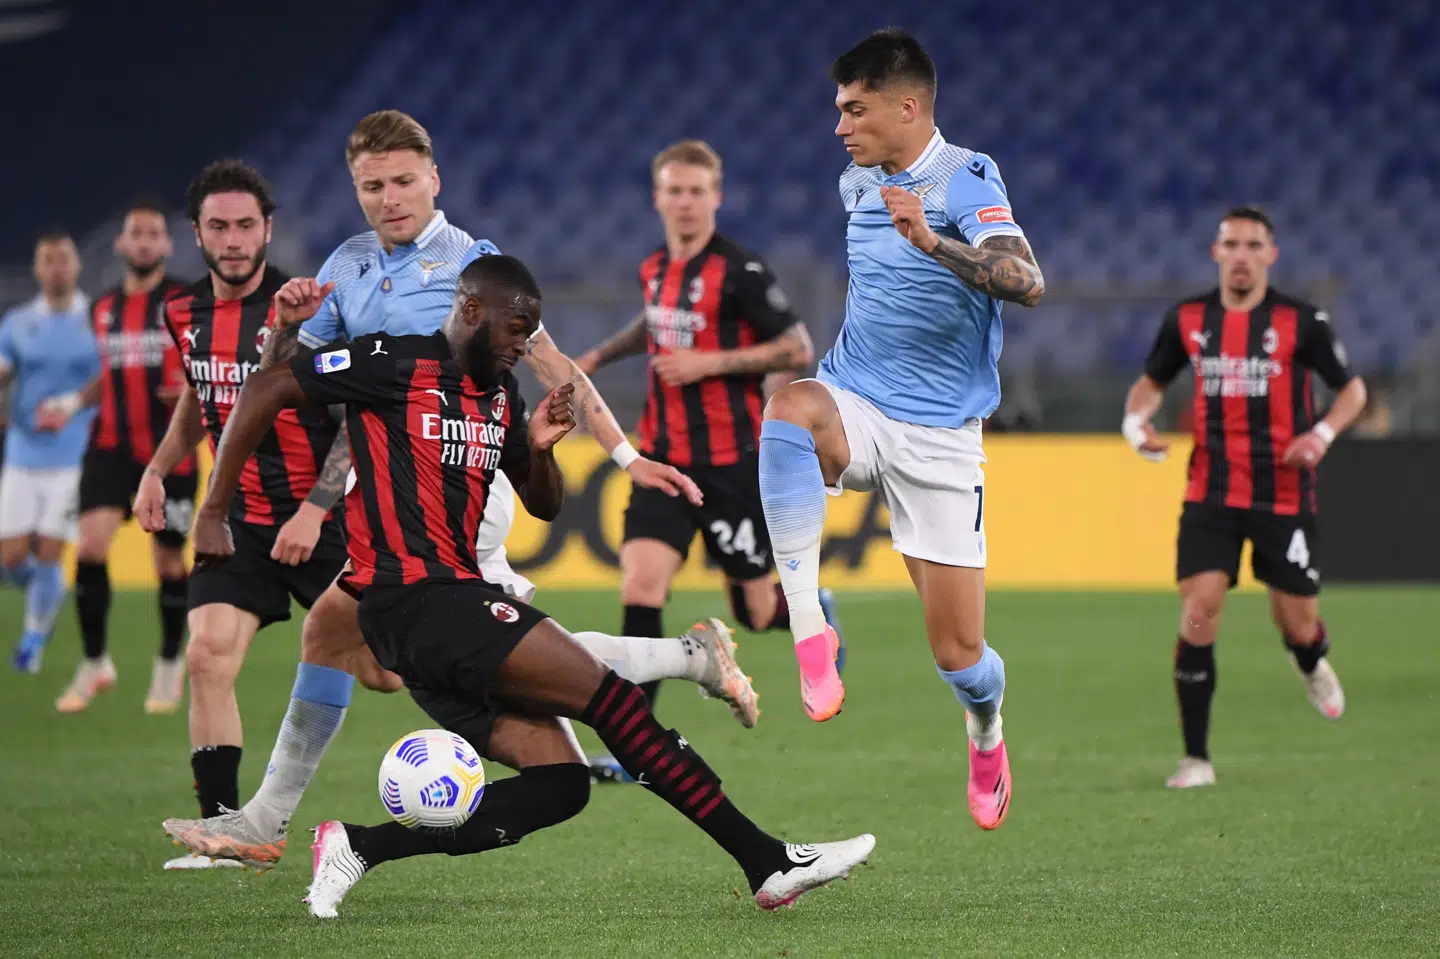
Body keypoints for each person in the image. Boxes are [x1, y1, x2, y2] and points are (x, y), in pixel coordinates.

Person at [190, 253, 875, 916]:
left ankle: (357, 847)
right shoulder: (392, 360)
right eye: (517, 328)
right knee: (614, 703)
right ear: (470, 309)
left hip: (440, 617)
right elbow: (266, 386)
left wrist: (540, 448)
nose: (525, 344)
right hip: (416, 599)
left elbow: (542, 501)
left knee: (560, 786)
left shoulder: (498, 396)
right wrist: (214, 509)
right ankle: (768, 860)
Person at [160, 111, 755, 870]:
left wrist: (626, 457)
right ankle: (689, 656)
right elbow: (280, 381)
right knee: (395, 647)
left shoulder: (476, 265)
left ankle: (268, 821)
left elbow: (554, 368)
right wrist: (285, 326)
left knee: (389, 637)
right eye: (371, 185)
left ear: (434, 179)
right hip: (387, 495)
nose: (388, 198)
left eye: (404, 180)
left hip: (464, 482)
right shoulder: (344, 268)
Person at [756, 29, 1045, 830]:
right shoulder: (857, 181)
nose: (840, 127)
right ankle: (810, 627)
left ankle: (985, 729)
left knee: (960, 657)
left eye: (855, 109)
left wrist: (933, 241)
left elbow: (1027, 282)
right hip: (856, 399)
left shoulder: (966, 178)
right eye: (838, 110)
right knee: (787, 409)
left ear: (908, 105)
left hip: (942, 437)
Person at [575, 141, 841, 782]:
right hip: (663, 459)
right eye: (675, 190)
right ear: (658, 197)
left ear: (715, 197)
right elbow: (657, 324)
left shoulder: (742, 270)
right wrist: (598, 359)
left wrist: (709, 364)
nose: (685, 202)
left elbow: (796, 348)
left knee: (754, 612)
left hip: (731, 466)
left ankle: (817, 611)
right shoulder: (655, 268)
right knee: (641, 588)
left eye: (697, 191)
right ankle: (635, 745)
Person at [135, 160, 352, 870]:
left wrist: (317, 512)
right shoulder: (180, 311)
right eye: (218, 226)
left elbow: (353, 420)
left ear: (269, 228)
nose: (233, 239)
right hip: (240, 522)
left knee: (389, 669)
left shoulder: (313, 309)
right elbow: (202, 404)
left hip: (322, 521)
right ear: (195, 233)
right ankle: (224, 832)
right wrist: (158, 468)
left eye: (246, 225)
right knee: (206, 655)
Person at [1121, 205, 1366, 789]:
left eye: (1254, 245)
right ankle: (1196, 759)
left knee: (1299, 625)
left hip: (1284, 493)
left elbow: (1353, 391)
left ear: (1270, 255)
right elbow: (1149, 385)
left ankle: (1309, 660)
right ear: (1216, 251)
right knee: (1200, 611)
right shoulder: (1187, 320)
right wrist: (1135, 427)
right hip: (1211, 491)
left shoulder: (1302, 321)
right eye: (1231, 243)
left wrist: (1322, 434)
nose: (1241, 254)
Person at [59, 198, 194, 714]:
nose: (143, 242)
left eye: (152, 233)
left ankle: (166, 666)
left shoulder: (183, 302)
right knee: (90, 549)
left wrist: (187, 385)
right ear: (120, 244)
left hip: (169, 449)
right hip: (110, 445)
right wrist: (73, 402)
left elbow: (203, 363)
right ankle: (95, 663)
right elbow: (109, 375)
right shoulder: (102, 307)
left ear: (165, 243)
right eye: (135, 233)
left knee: (166, 562)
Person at [1, 232, 100, 673]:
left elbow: (111, 379)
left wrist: (76, 407)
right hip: (23, 450)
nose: (57, 267)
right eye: (48, 260)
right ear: (38, 268)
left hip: (74, 452)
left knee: (49, 550)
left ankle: (32, 642)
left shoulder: (96, 318)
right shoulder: (18, 323)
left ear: (76, 265)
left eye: (64, 258)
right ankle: (52, 589)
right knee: (11, 555)